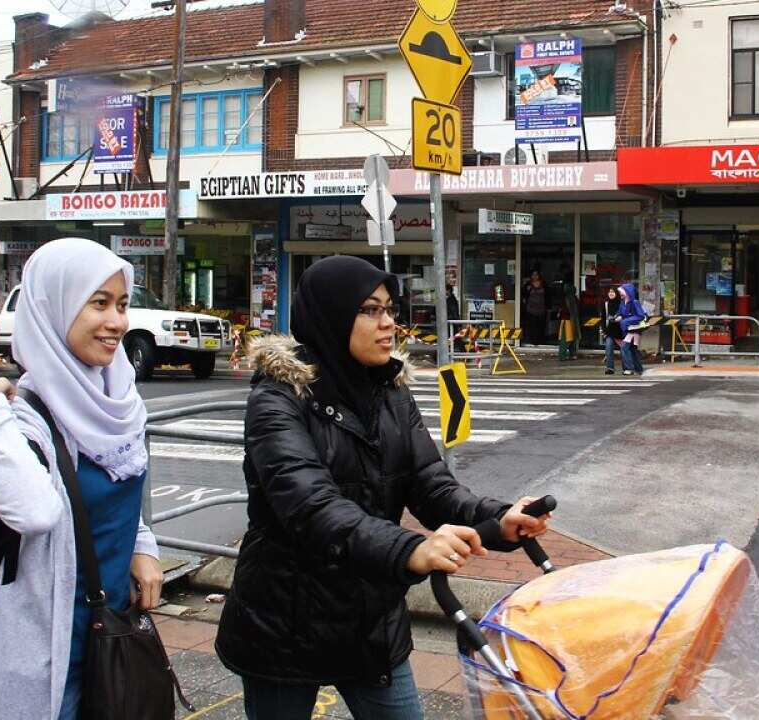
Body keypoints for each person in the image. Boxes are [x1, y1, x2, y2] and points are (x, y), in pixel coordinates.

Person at [216, 255, 551, 720]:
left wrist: (497, 520)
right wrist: (409, 551)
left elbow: (431, 486)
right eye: (370, 310)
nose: (388, 324)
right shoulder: (276, 400)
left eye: (390, 310)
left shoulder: (390, 391)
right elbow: (313, 507)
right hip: (284, 625)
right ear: (332, 316)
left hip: (370, 620)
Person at [0, 238, 163, 720]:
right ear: (54, 306)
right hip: (47, 650)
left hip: (111, 634)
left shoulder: (119, 397)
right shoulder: (22, 416)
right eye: (99, 303)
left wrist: (142, 544)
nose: (117, 322)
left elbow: (118, 492)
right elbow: (35, 512)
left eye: (123, 304)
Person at [616, 283, 647, 376]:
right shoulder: (623, 302)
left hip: (634, 329)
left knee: (625, 348)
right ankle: (638, 368)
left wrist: (625, 320)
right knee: (632, 349)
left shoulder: (634, 302)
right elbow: (620, 313)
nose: (620, 294)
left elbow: (640, 315)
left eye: (621, 292)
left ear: (627, 292)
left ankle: (629, 368)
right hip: (628, 329)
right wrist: (619, 316)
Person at [601, 287, 623, 375]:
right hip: (609, 331)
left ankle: (627, 368)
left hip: (620, 331)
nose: (611, 293)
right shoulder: (606, 304)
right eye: (609, 292)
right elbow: (603, 318)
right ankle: (610, 368)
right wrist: (603, 329)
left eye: (613, 292)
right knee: (609, 348)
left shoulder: (621, 304)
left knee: (624, 350)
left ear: (616, 293)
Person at [521, 270, 547, 346]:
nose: (535, 276)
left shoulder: (544, 284)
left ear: (539, 276)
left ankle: (541, 341)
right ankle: (533, 342)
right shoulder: (528, 285)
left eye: (536, 274)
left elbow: (548, 296)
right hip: (531, 310)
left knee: (541, 326)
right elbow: (523, 295)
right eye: (533, 275)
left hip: (541, 309)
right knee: (532, 326)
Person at [557, 283, 580, 361]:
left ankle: (562, 355)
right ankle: (572, 354)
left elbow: (563, 311)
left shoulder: (565, 299)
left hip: (566, 321)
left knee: (564, 340)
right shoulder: (575, 299)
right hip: (574, 321)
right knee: (573, 339)